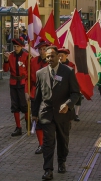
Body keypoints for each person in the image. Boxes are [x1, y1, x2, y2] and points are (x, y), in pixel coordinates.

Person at [32, 46, 80, 180]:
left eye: (52, 56)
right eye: (47, 56)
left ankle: (61, 161)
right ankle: (48, 170)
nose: (49, 59)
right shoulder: (40, 73)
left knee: (63, 140)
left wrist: (68, 104)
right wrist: (34, 114)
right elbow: (37, 96)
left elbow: (76, 93)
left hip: (63, 113)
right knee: (48, 143)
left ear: (58, 56)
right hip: (46, 113)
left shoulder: (68, 72)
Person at [27, 39, 50, 154]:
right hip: (35, 94)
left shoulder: (51, 62)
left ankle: (48, 143)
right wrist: (27, 91)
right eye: (40, 49)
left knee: (48, 120)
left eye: (44, 49)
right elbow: (28, 78)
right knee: (36, 119)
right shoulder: (33, 61)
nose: (42, 51)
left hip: (48, 95)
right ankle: (41, 144)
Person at [3, 37, 29, 137]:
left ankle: (27, 122)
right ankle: (18, 127)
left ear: (21, 46)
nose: (16, 48)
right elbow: (5, 70)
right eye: (15, 46)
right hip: (13, 82)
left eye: (18, 46)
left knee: (24, 104)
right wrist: (6, 60)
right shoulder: (10, 56)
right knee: (15, 105)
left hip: (23, 82)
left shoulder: (26, 56)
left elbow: (29, 69)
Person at [58, 47, 81, 121]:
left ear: (66, 56)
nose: (60, 57)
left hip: (68, 88)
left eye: (62, 55)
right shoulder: (56, 65)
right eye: (59, 55)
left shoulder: (71, 65)